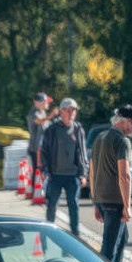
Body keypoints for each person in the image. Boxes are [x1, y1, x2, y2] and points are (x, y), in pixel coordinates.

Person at [90, 104, 132, 262]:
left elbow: (92, 171)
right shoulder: (122, 141)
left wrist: (95, 201)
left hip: (102, 199)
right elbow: (124, 175)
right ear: (122, 121)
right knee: (108, 248)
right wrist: (127, 205)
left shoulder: (100, 137)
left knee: (122, 238)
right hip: (114, 200)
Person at [37, 98, 88, 234]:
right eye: (67, 110)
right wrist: (45, 171)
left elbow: (82, 153)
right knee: (52, 205)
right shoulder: (52, 129)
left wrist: (83, 174)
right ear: (60, 112)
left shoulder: (78, 129)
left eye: (73, 110)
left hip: (73, 175)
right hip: (55, 175)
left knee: (74, 205)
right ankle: (48, 233)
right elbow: (44, 151)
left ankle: (75, 236)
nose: (70, 112)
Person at [25, 92, 52, 181]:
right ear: (38, 102)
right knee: (37, 172)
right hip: (36, 149)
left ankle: (40, 191)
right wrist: (51, 116)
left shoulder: (43, 113)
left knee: (43, 172)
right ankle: (35, 192)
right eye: (46, 102)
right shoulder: (34, 113)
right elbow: (38, 121)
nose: (48, 104)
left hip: (43, 149)